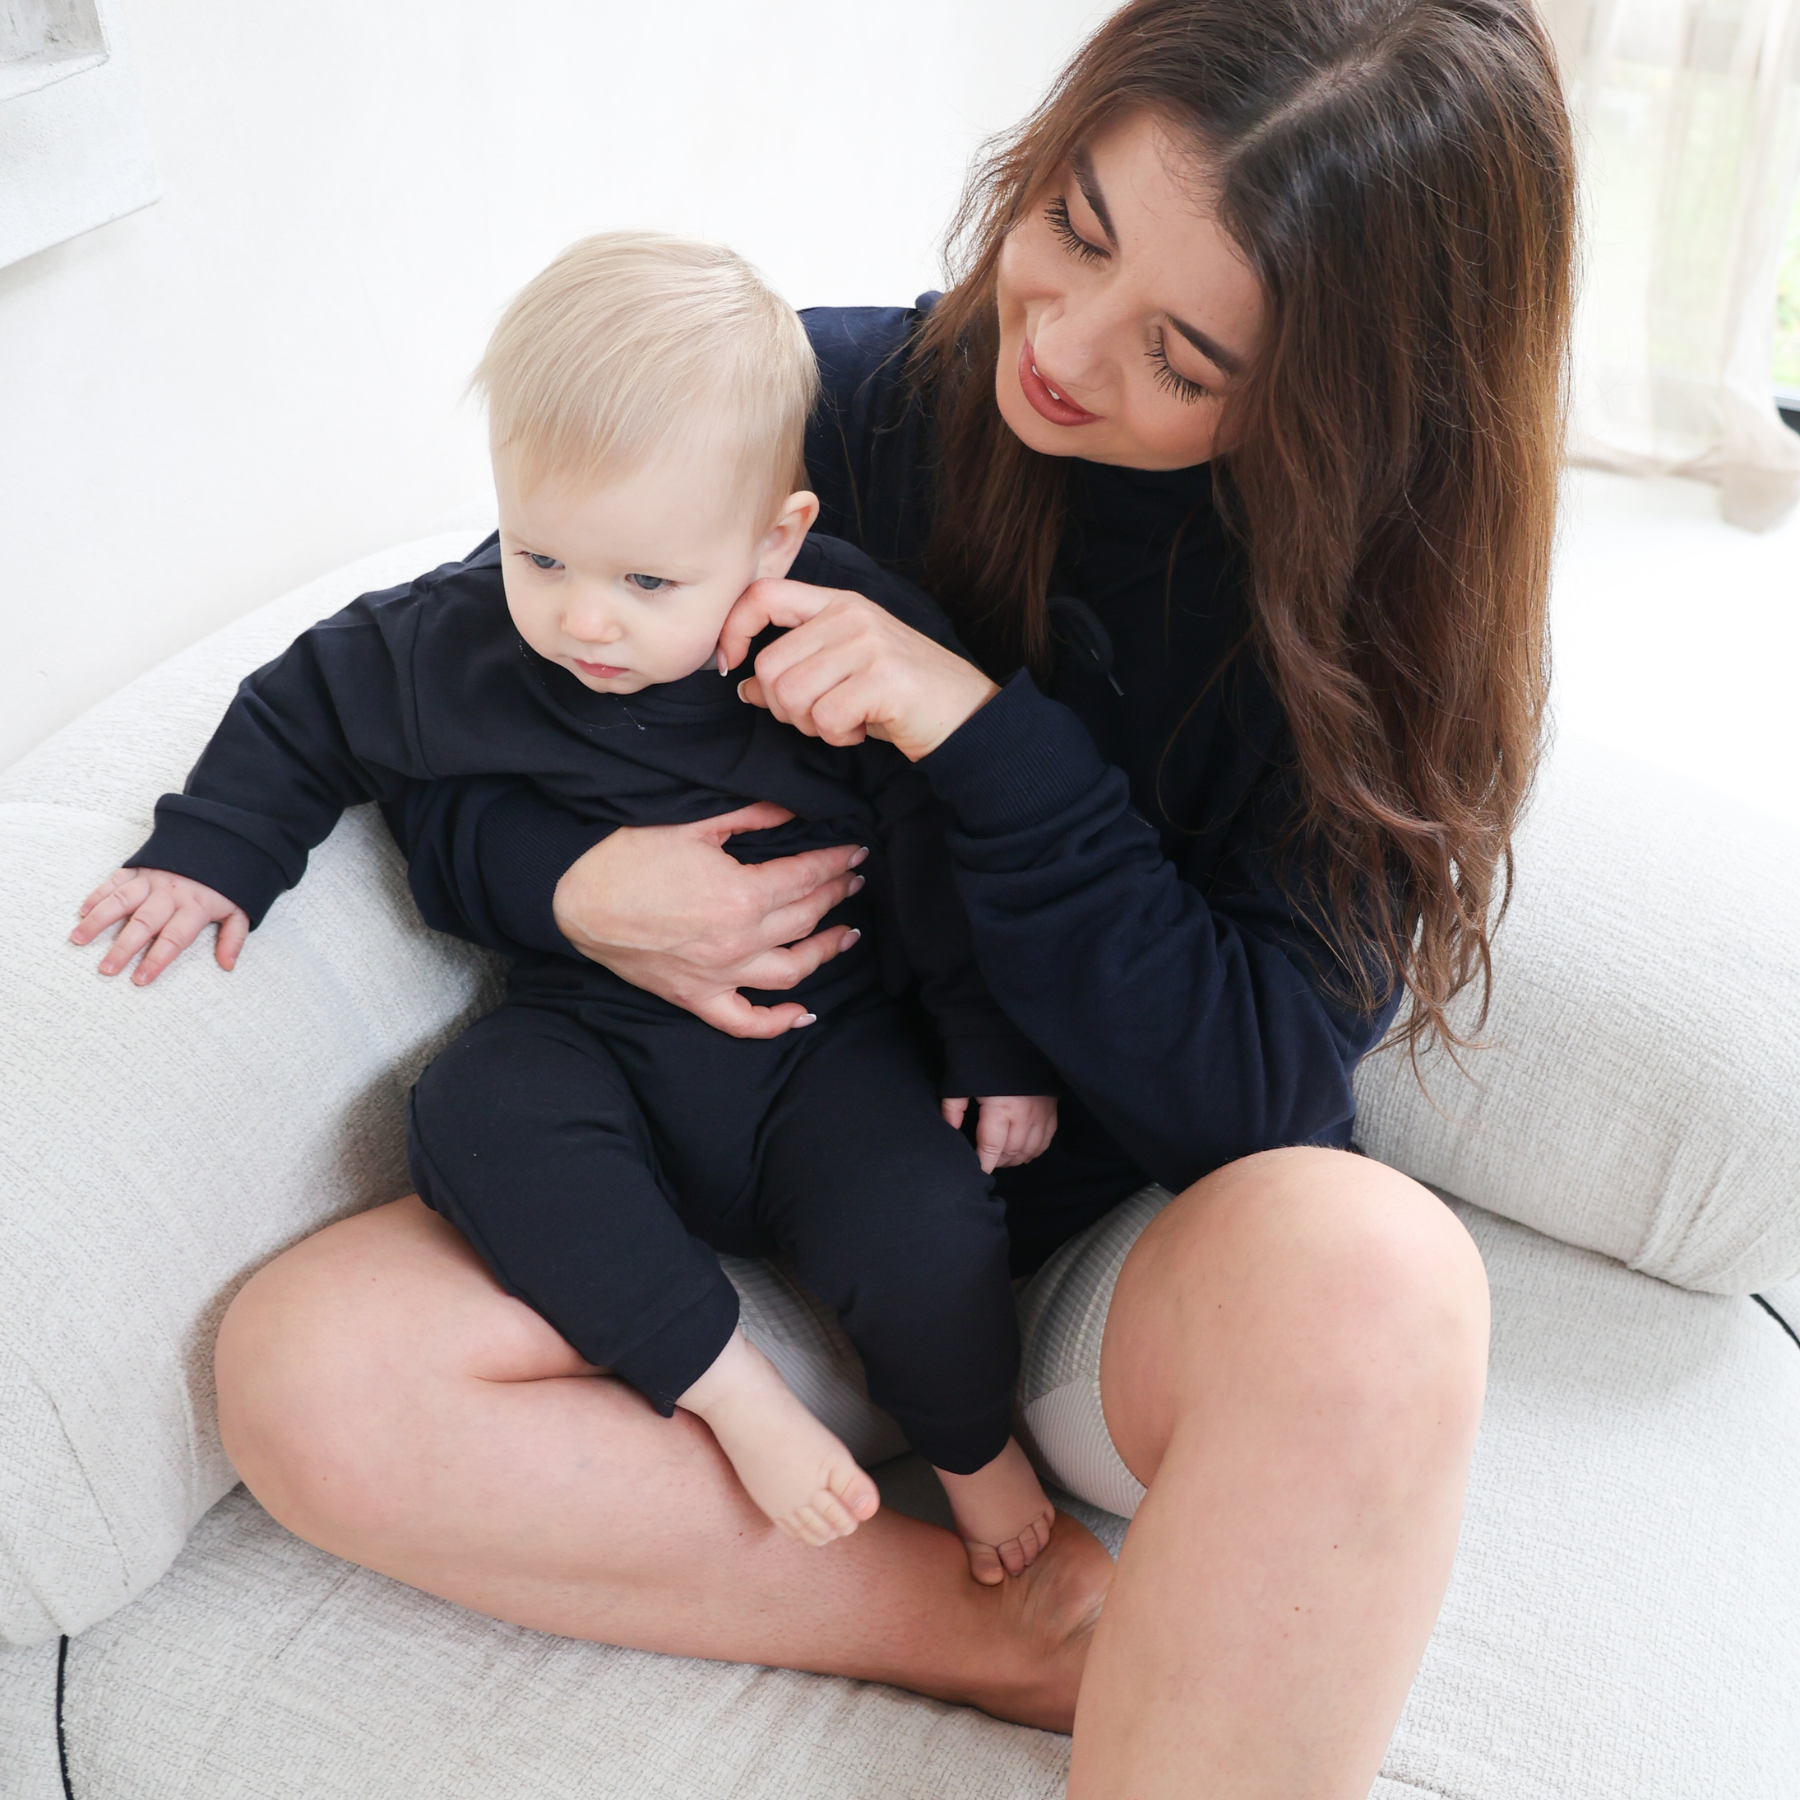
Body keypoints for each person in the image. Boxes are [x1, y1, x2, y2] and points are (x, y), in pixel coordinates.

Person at [92, 1, 1575, 1792]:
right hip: (743, 1221)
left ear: (1346, 404)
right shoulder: (824, 401)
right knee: (309, 1369)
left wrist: (977, 737)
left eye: (1182, 356)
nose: (1059, 343)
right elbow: (479, 692)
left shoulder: (1377, 642)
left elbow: (1254, 1103)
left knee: (1383, 1272)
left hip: (1086, 1284)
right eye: (1074, 227)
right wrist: (571, 887)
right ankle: (1007, 1629)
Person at [73, 232, 1070, 1582]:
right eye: (541, 557)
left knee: (927, 1225)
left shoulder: (840, 634)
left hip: (830, 1049)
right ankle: (728, 1390)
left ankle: (976, 1454)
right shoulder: (458, 639)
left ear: (776, 538)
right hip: (597, 1036)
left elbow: (942, 837)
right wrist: (210, 854)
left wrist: (989, 1043)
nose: (585, 621)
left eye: (647, 582)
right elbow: (305, 709)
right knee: (472, 1111)